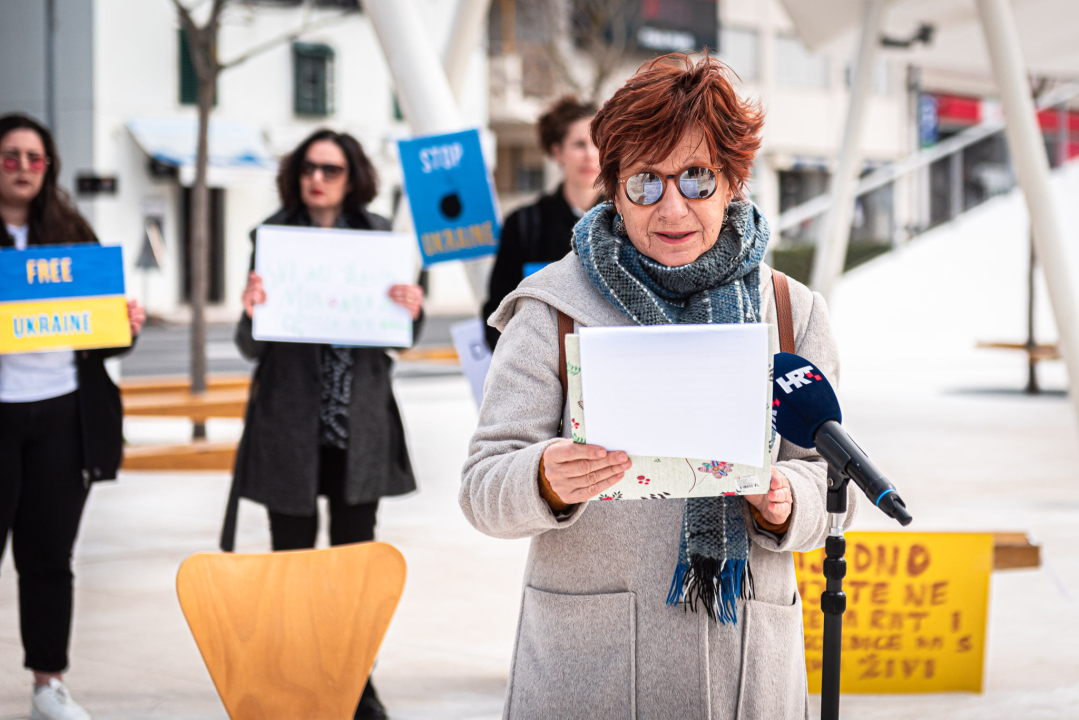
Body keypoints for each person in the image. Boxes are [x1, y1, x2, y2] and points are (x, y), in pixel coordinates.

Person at [460, 54, 858, 719]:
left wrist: (789, 499)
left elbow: (835, 484)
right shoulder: (552, 310)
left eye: (697, 179)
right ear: (612, 188)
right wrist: (545, 480)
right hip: (591, 669)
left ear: (734, 181)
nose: (671, 208)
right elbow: (481, 488)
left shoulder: (790, 312)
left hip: (744, 667)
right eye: (645, 182)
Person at [220, 128, 423, 720]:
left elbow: (401, 339)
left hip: (357, 427)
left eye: (331, 169)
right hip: (290, 426)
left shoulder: (382, 237)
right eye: (309, 167)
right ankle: (296, 676)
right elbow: (250, 346)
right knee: (292, 561)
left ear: (351, 176)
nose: (318, 178)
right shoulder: (271, 236)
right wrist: (250, 310)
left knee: (354, 565)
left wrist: (409, 310)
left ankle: (356, 682)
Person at [0, 114, 145, 720]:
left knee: (49, 557)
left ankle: (47, 685)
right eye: (11, 156)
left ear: (50, 166)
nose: (25, 168)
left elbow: (100, 341)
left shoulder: (73, 234)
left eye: (36, 158)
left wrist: (126, 328)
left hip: (63, 417)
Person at [482, 95, 599, 350]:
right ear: (557, 151)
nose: (590, 155)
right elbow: (497, 310)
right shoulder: (524, 224)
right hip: (540, 367)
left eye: (598, 143)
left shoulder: (626, 222)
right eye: (579, 144)